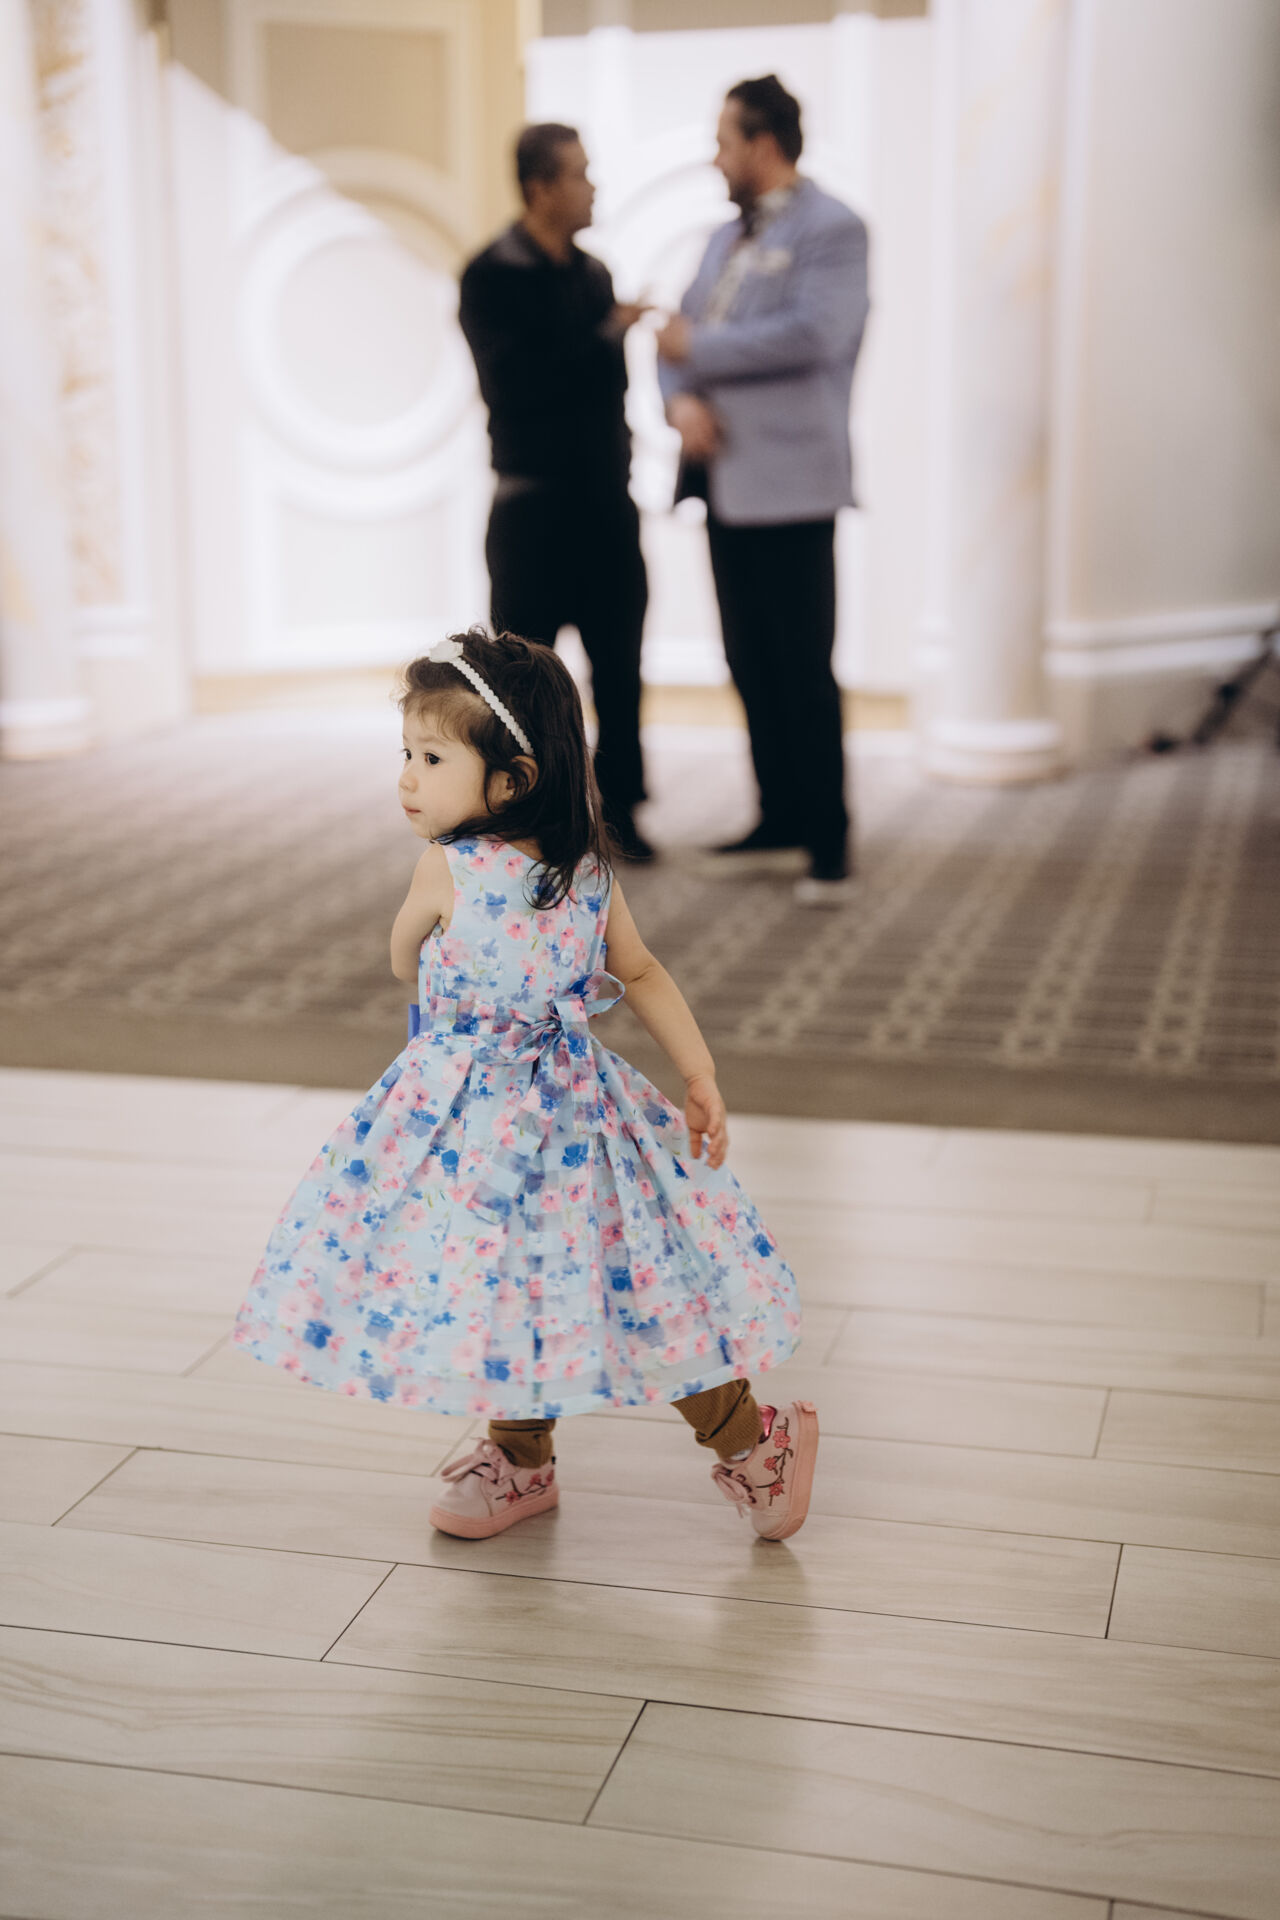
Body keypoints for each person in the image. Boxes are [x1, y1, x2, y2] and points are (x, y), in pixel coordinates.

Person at [232, 629, 819, 1543]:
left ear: (511, 781)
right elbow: (642, 972)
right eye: (406, 755)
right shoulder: (588, 873)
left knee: (528, 1283)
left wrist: (429, 941)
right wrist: (697, 1073)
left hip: (491, 1119)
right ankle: (541, 1454)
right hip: (570, 1115)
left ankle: (732, 1441)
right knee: (612, 1284)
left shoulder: (446, 867)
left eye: (431, 758)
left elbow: (401, 960)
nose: (407, 779)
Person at [656, 75, 870, 903]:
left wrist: (699, 351)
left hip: (794, 484)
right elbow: (674, 336)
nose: (716, 159)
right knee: (748, 661)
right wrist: (679, 399)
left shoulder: (835, 228)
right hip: (723, 483)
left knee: (803, 667)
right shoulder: (721, 238)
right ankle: (777, 816)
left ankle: (827, 841)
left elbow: (817, 332)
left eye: (724, 142)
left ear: (763, 144)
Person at [458, 124, 653, 864]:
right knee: (523, 687)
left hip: (605, 504)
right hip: (531, 509)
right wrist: (604, 336)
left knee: (621, 670)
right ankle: (528, 824)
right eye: (579, 173)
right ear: (540, 188)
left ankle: (622, 816)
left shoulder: (594, 274)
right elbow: (517, 385)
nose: (592, 186)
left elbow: (607, 394)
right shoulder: (489, 276)